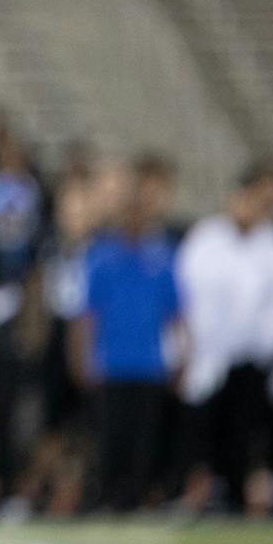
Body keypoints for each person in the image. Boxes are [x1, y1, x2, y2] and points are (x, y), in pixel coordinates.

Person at [176, 163, 273, 512]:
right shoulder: (205, 239)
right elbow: (186, 296)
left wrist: (271, 345)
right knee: (202, 431)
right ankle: (202, 489)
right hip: (207, 356)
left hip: (253, 359)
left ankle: (237, 493)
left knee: (245, 433)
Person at [71, 155, 183, 511]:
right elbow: (87, 315)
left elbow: (176, 316)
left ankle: (138, 496)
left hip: (149, 363)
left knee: (144, 439)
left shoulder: (162, 257)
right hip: (112, 363)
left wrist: (183, 356)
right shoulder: (101, 257)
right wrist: (82, 357)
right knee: (111, 437)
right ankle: (108, 496)